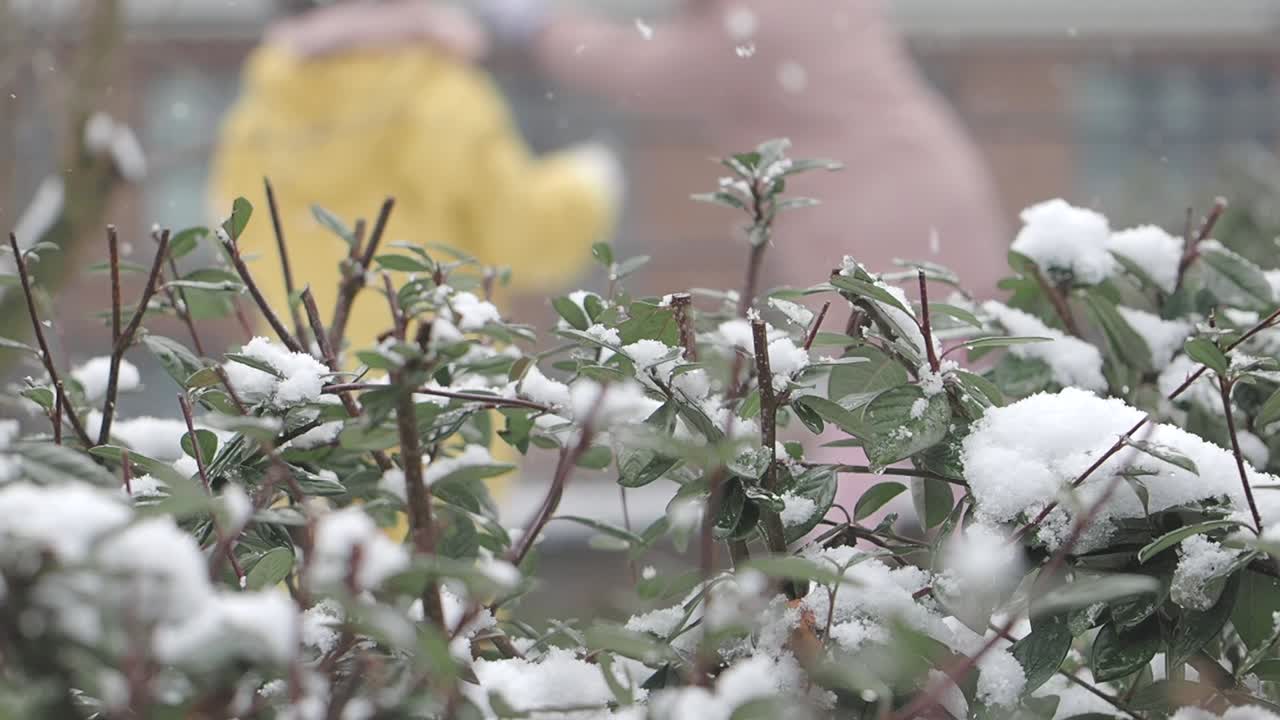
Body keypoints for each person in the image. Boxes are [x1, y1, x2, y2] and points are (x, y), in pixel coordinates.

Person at [209, 1, 623, 358]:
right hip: (440, 398)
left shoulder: (256, 117)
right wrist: (587, 187)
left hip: (313, 401)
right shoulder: (441, 95)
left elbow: (238, 247)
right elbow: (521, 235)